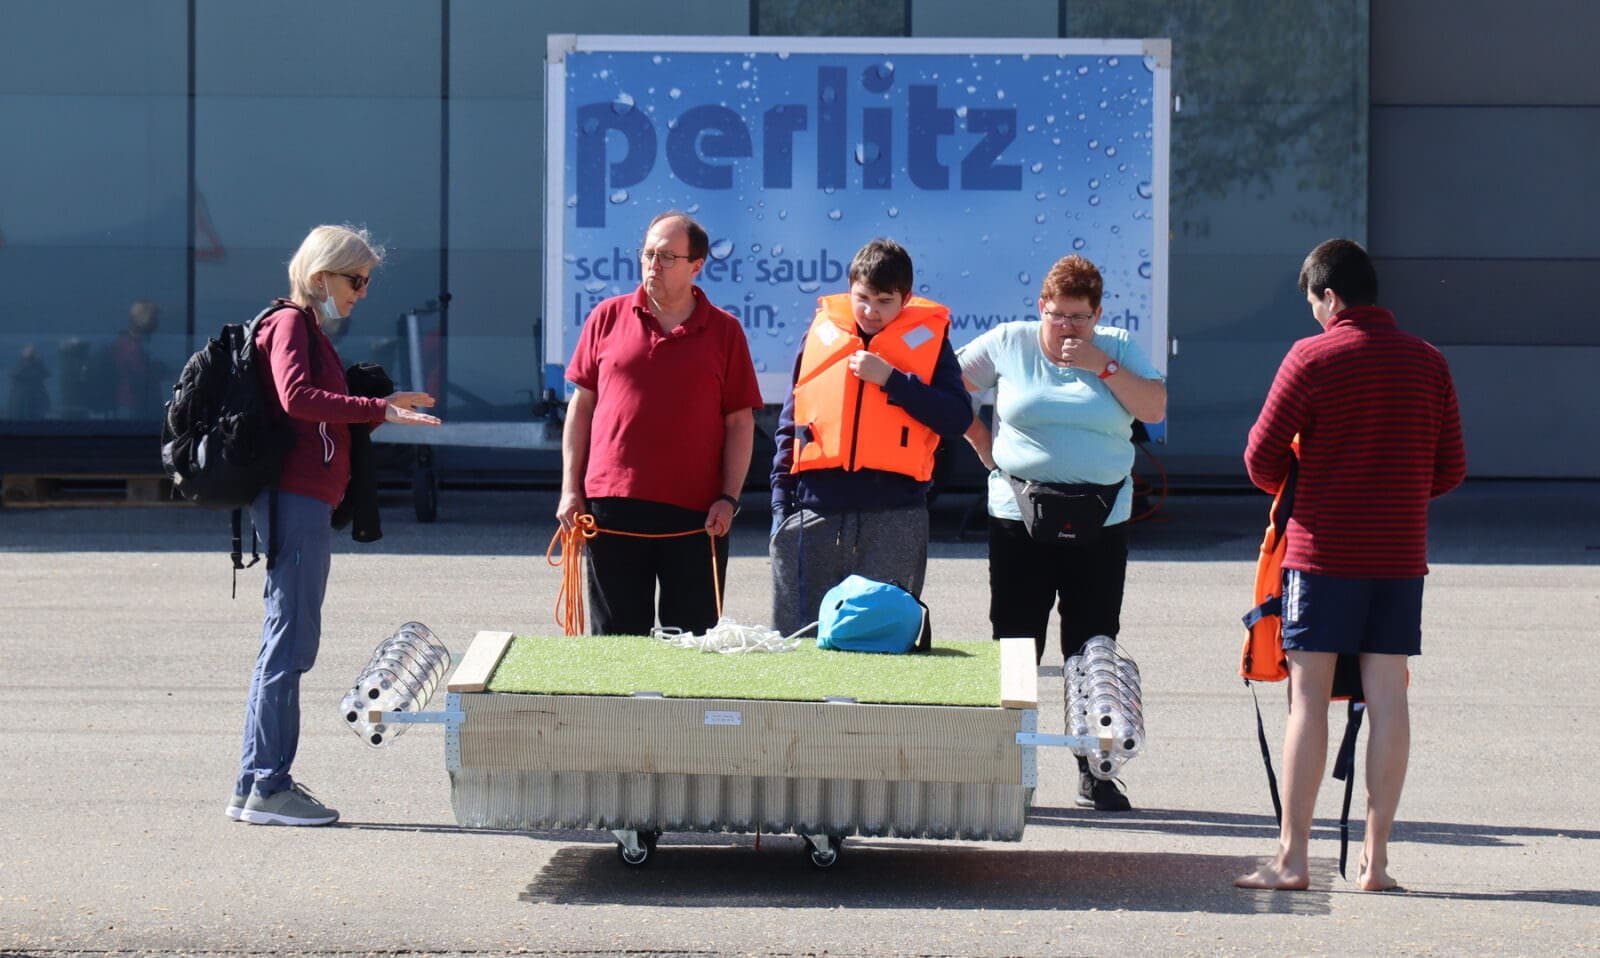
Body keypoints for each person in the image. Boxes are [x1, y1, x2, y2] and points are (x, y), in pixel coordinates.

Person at [1235, 239, 1464, 891]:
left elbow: (1260, 458)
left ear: (1330, 297)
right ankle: (1377, 862)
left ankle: (1293, 861)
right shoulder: (1429, 361)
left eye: (1313, 302)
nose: (1313, 314)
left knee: (1307, 702)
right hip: (1399, 558)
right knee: (1389, 698)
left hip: (1321, 556)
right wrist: (1396, 494)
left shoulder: (1311, 357)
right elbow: (1451, 467)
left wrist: (1313, 486)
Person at [230, 225, 440, 827]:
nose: (362, 292)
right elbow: (297, 397)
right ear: (322, 276)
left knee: (283, 640)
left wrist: (381, 408)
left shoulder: (305, 327)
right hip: (295, 499)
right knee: (290, 644)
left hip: (301, 499)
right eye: (357, 280)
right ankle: (269, 787)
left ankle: (252, 784)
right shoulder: (292, 324)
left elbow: (313, 411)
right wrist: (377, 407)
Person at [957, 254, 1166, 811]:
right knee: (1016, 643)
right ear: (1041, 308)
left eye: (1080, 317)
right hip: (1018, 513)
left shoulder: (1116, 347)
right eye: (1058, 315)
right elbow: (947, 388)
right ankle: (1006, 771)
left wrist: (1104, 366)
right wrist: (981, 441)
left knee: (1093, 645)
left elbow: (1155, 407)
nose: (1068, 327)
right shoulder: (1011, 342)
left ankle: (1095, 770)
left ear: (1098, 315)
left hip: (1101, 515)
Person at [557, 211, 762, 636]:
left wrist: (729, 497)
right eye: (649, 254)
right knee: (616, 646)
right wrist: (570, 489)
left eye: (667, 257)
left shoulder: (725, 331)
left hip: (696, 514)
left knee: (692, 646)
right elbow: (581, 407)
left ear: (696, 265)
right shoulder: (607, 316)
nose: (654, 265)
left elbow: (740, 423)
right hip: (612, 505)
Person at [768, 238, 971, 637]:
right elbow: (791, 424)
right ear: (850, 290)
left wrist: (892, 380)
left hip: (894, 514)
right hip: (814, 511)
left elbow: (957, 418)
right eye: (862, 298)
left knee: (877, 642)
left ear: (905, 299)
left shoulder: (931, 345)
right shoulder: (820, 336)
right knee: (798, 642)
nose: (870, 311)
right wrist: (779, 504)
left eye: (884, 301)